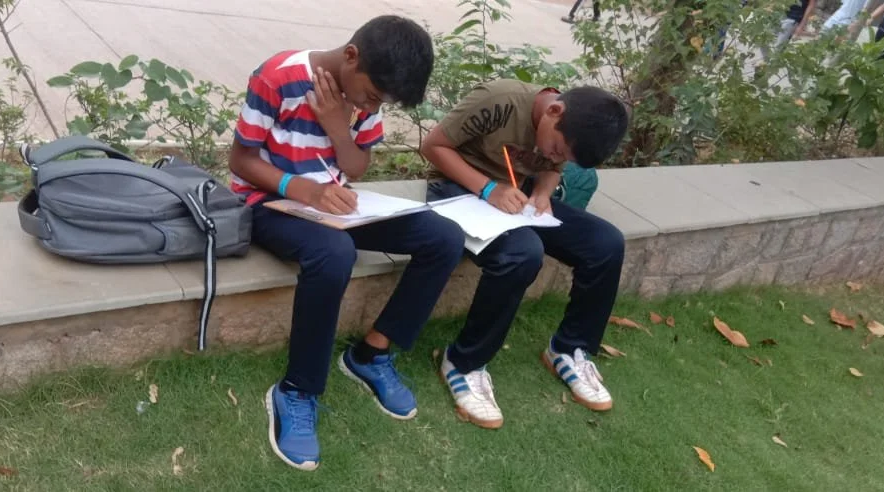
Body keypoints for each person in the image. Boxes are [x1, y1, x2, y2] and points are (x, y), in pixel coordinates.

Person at [229, 15, 465, 470]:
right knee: (334, 254)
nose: (373, 105)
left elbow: (355, 167)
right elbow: (240, 160)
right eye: (373, 97)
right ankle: (297, 390)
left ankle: (372, 354)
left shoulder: (363, 97)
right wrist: (305, 190)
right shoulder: (278, 76)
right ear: (351, 56)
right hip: (269, 203)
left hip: (336, 203)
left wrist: (339, 124)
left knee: (443, 236)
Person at [421, 79, 630, 429]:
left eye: (566, 157)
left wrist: (545, 193)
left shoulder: (566, 129)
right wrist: (489, 189)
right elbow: (433, 145)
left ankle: (567, 349)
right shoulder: (498, 100)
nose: (556, 157)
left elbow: (550, 169)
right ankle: (463, 363)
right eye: (557, 148)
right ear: (553, 111)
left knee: (606, 243)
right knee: (523, 253)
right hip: (456, 189)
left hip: (516, 197)